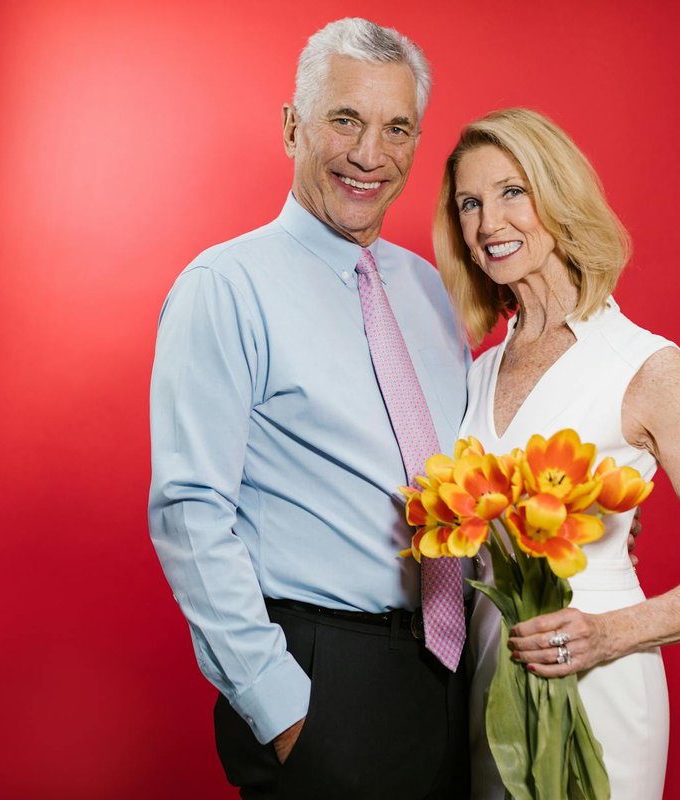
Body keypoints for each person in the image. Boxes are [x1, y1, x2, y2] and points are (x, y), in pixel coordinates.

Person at [148, 18, 470, 799]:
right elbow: (191, 513)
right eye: (345, 120)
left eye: (396, 128)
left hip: (451, 673)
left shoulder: (432, 292)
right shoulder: (226, 288)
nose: (370, 155)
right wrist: (284, 710)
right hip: (323, 676)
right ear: (293, 127)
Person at [432, 108, 680, 800]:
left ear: (557, 197)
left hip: (600, 684)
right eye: (469, 203)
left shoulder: (644, 365)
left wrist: (608, 633)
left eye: (512, 192)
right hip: (488, 677)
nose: (489, 222)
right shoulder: (474, 373)